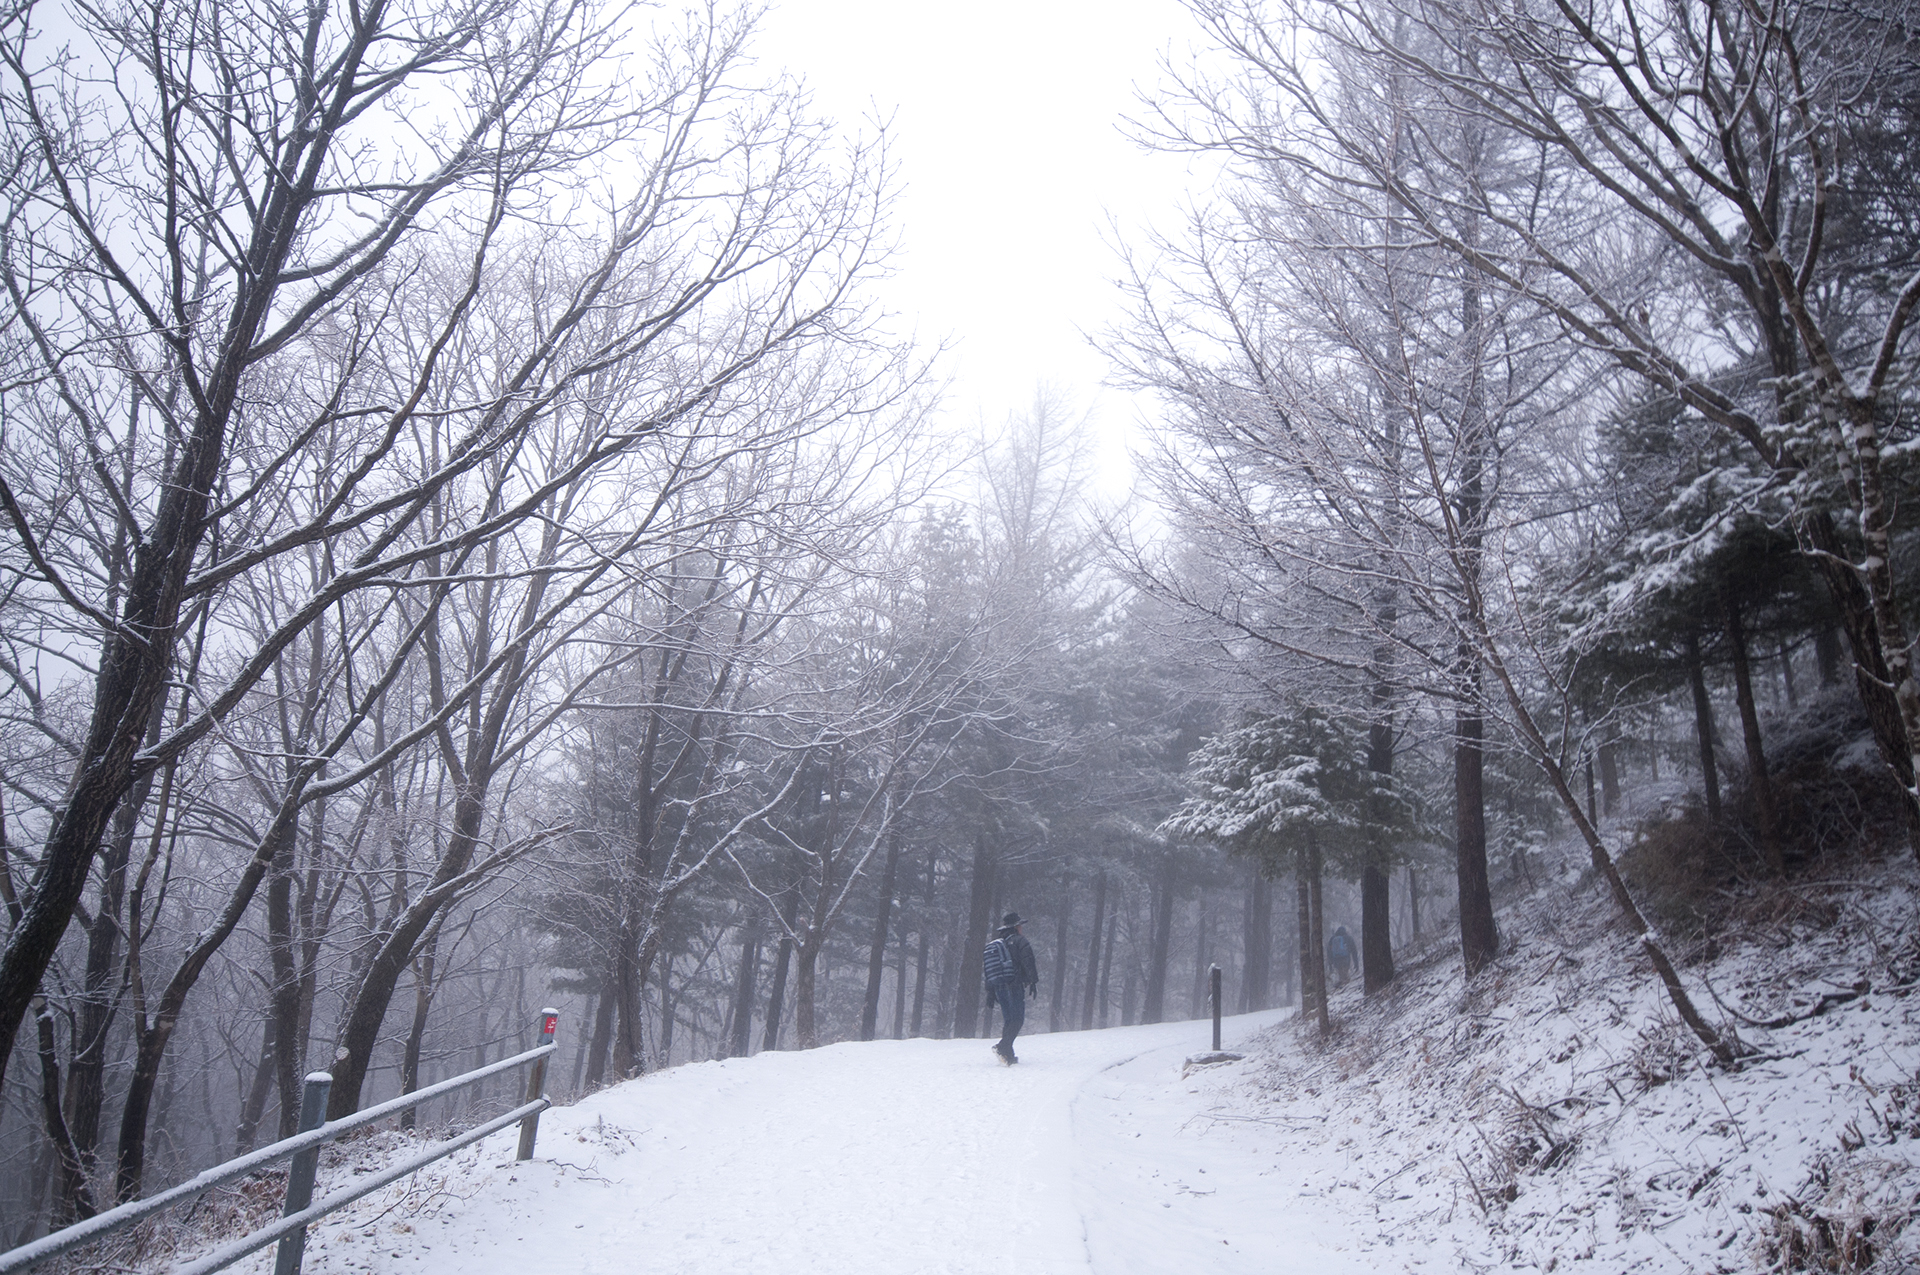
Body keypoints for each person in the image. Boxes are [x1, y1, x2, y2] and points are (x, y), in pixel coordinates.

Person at [984, 911, 1040, 1064]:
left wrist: (990, 991)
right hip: (1014, 985)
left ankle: (1008, 1054)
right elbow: (1028, 961)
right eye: (1020, 925)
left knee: (1009, 1020)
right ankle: (1003, 1046)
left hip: (999, 986)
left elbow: (989, 969)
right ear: (1015, 927)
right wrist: (1033, 982)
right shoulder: (1019, 941)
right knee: (1018, 1019)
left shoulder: (997, 943)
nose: (1021, 928)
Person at [1327, 925, 1357, 989]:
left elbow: (1329, 951)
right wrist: (1356, 963)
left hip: (1336, 959)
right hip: (1346, 959)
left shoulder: (1333, 938)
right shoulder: (1348, 938)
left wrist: (1330, 964)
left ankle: (1342, 986)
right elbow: (1354, 951)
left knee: (1340, 973)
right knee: (1345, 973)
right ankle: (1346, 987)